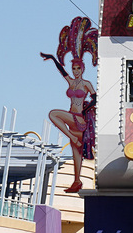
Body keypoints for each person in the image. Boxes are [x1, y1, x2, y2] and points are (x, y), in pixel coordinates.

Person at [41, 17, 98, 193]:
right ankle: (77, 181)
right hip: (73, 123)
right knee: (76, 155)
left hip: (78, 118)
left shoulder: (87, 84)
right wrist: (51, 57)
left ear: (82, 69)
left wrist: (86, 108)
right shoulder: (70, 82)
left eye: (77, 69)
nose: (75, 71)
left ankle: (72, 138)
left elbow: (96, 99)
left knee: (53, 114)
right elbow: (61, 69)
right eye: (73, 69)